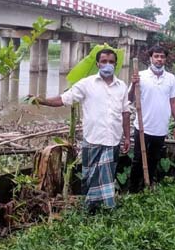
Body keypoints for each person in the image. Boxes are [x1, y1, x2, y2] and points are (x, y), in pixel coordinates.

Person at [33, 48, 130, 213]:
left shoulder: (121, 86)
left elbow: (125, 112)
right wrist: (41, 101)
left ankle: (108, 207)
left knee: (108, 175)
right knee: (90, 176)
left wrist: (127, 137)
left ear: (115, 64)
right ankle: (90, 208)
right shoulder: (87, 84)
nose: (108, 65)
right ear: (98, 63)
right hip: (93, 138)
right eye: (104, 61)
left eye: (111, 62)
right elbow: (64, 99)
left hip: (113, 138)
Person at [128, 45, 175, 192]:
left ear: (165, 59)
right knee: (138, 159)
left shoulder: (170, 78)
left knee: (154, 159)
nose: (159, 59)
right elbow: (130, 98)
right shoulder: (140, 76)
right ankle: (133, 189)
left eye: (162, 57)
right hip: (142, 126)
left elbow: (173, 102)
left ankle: (148, 185)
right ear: (150, 58)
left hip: (161, 127)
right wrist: (133, 85)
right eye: (156, 56)